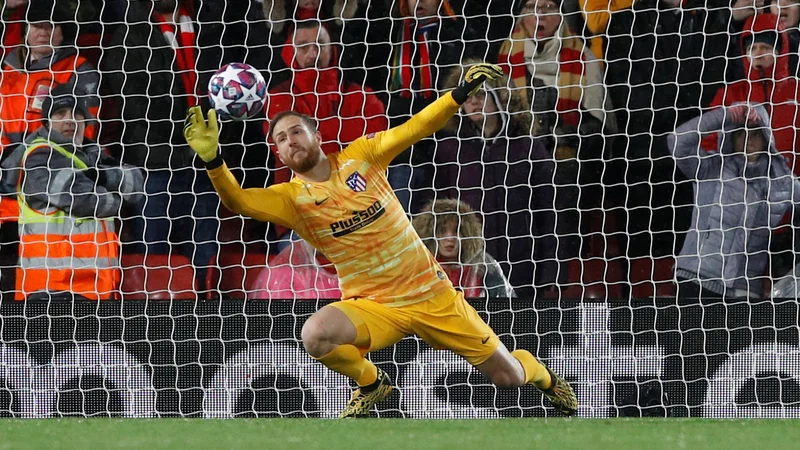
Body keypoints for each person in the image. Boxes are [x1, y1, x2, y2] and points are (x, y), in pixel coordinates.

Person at [184, 63, 577, 417]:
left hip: (431, 295)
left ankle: (540, 373)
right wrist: (214, 160)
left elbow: (417, 127)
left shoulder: (364, 155)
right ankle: (372, 384)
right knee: (314, 335)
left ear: (316, 134)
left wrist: (457, 95)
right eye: (281, 139)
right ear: (279, 154)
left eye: (296, 132)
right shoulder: (290, 200)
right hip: (374, 304)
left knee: (509, 378)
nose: (290, 141)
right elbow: (237, 201)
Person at [0, 83, 143, 301]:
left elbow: (138, 185)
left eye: (77, 113)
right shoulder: (40, 158)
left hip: (95, 289)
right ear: (47, 122)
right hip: (50, 291)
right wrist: (116, 197)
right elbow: (86, 200)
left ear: (86, 120)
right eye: (60, 113)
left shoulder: (94, 155)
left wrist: (100, 177)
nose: (69, 120)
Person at [668, 103, 800, 302]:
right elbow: (677, 141)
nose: (749, 140)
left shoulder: (783, 181)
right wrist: (725, 116)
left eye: (755, 133)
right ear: (730, 137)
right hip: (696, 279)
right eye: (741, 133)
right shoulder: (710, 167)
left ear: (766, 136)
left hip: (745, 290)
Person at [411, 198, 516, 299]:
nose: (450, 238)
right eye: (442, 231)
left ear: (467, 234)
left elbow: (505, 306)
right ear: (430, 234)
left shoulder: (483, 265)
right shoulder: (418, 266)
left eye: (457, 231)